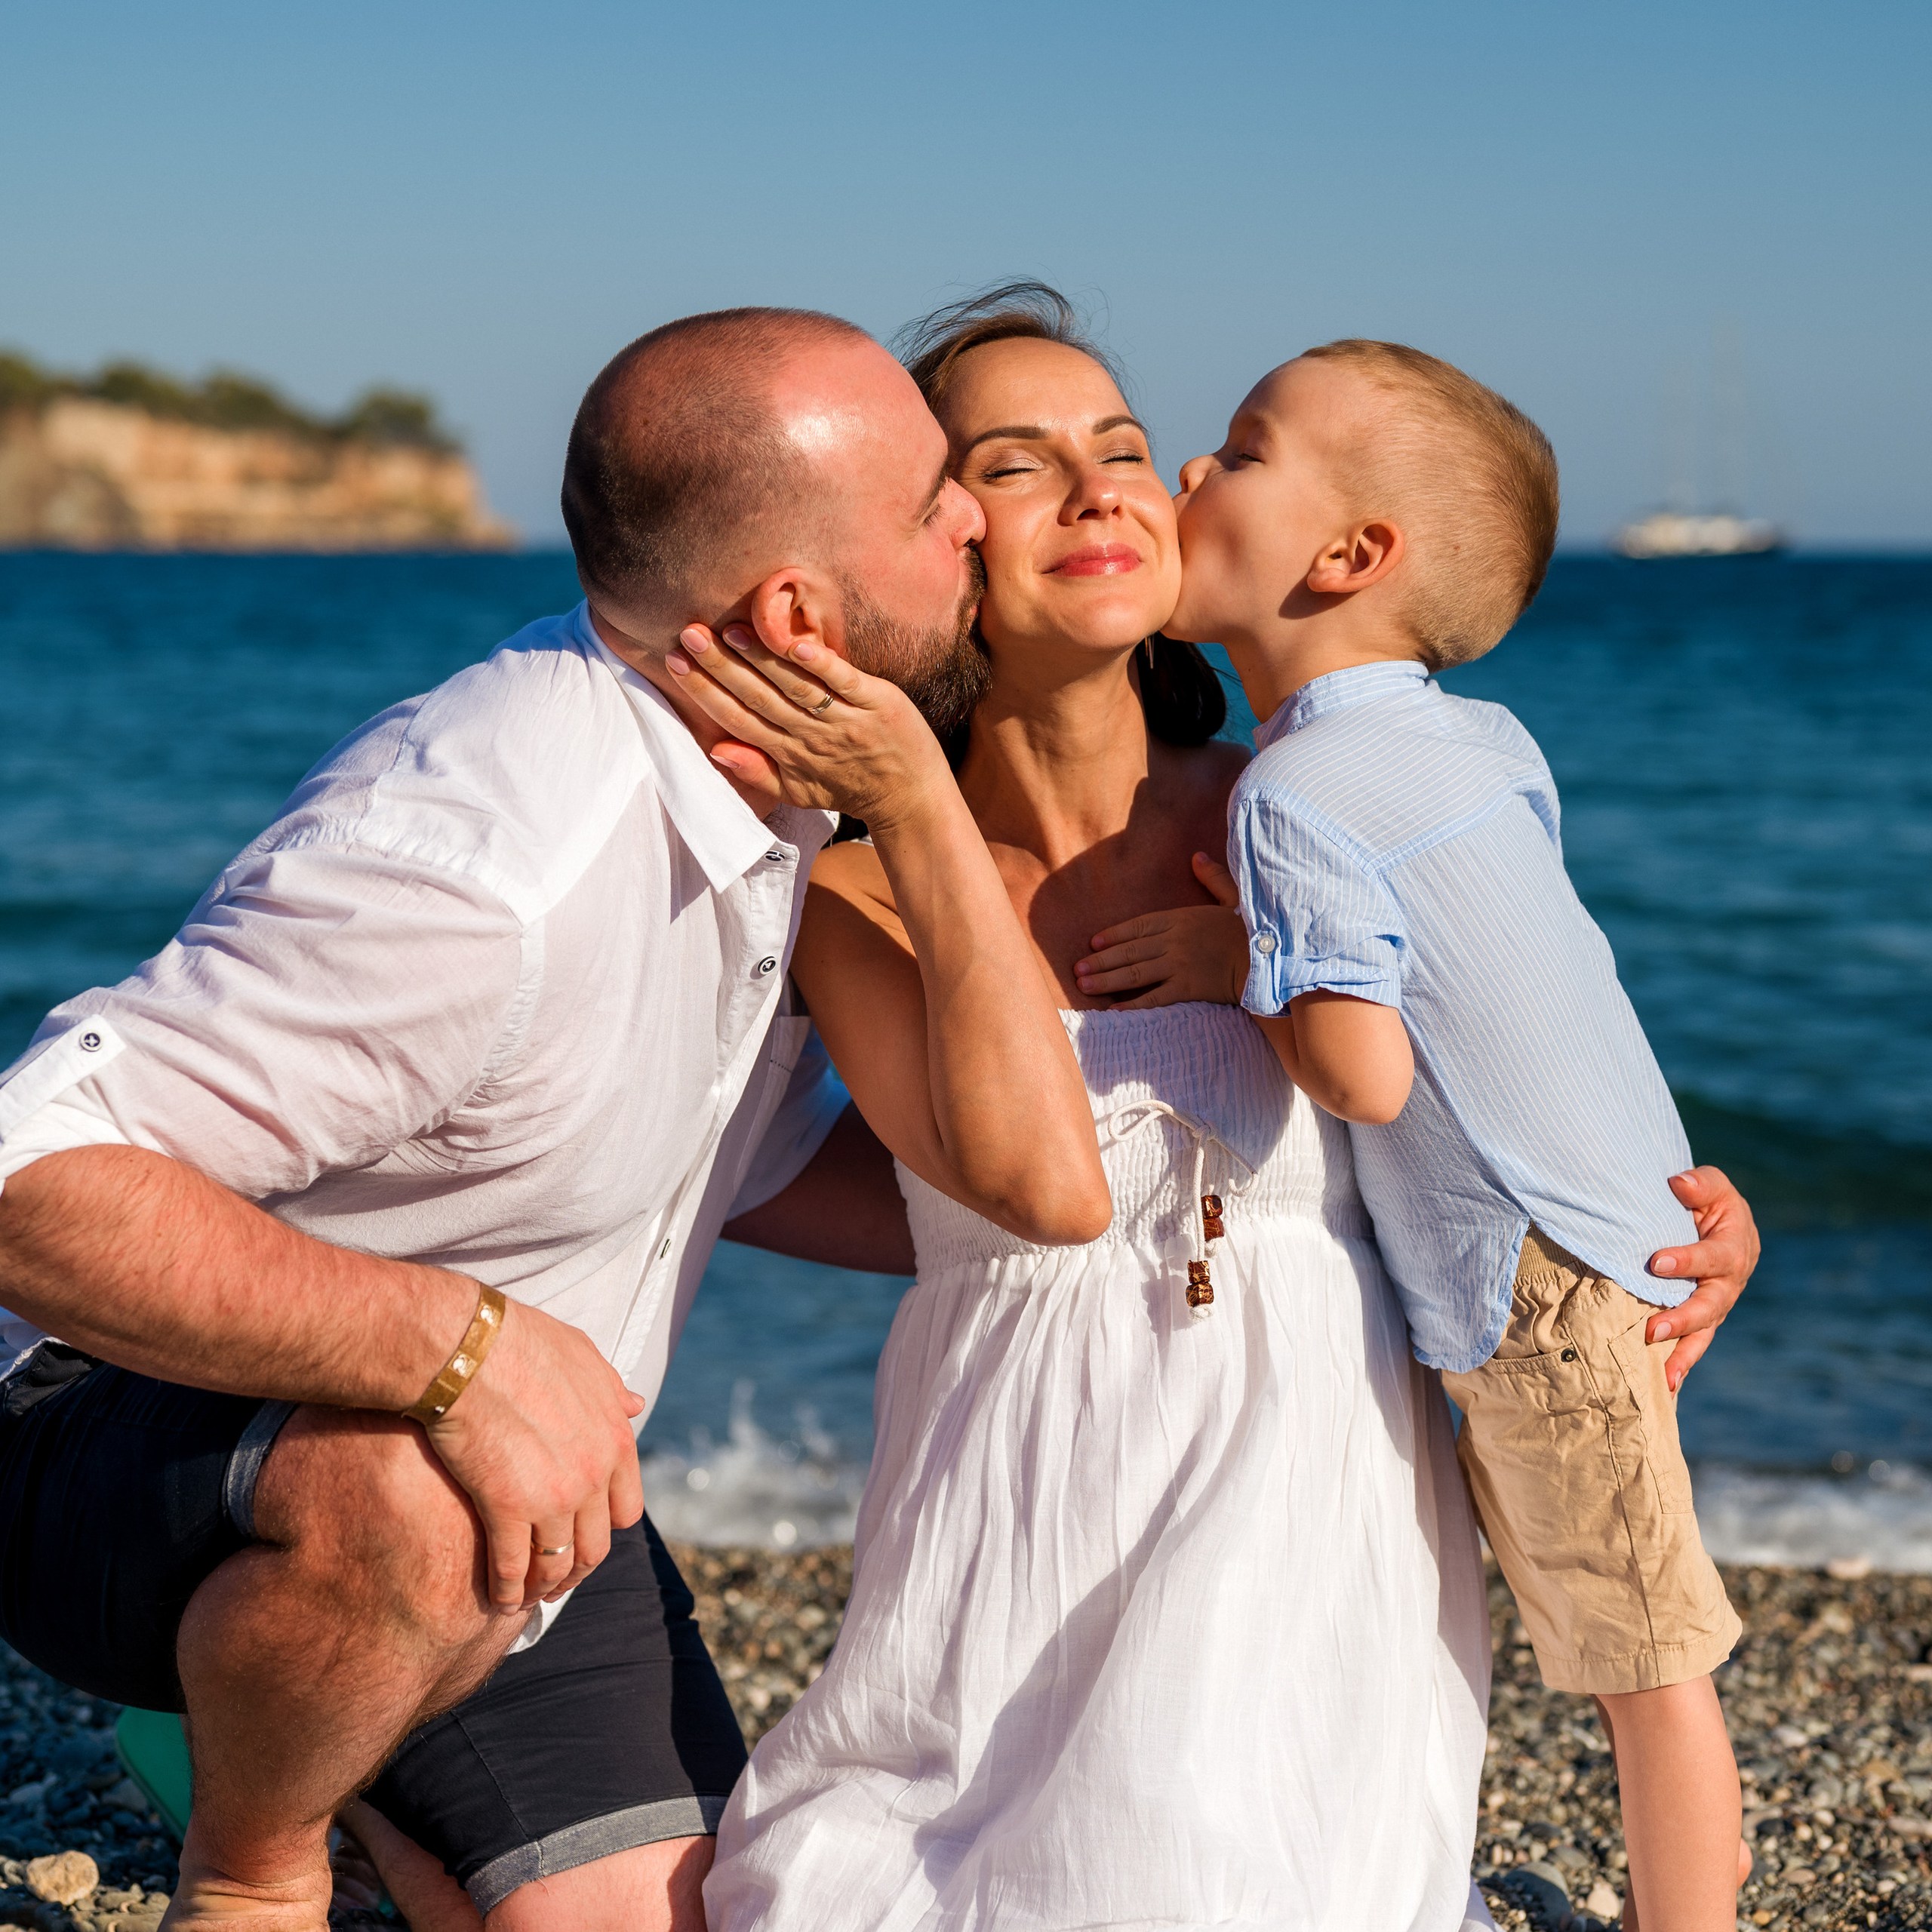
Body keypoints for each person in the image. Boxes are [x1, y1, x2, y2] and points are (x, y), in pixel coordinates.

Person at [0, 306, 1110, 1932]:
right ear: (794, 613)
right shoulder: (487, 862)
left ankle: (320, 1692)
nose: (977, 523)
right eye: (937, 495)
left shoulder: (767, 789)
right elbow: (25, 1184)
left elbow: (798, 1169)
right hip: (101, 1432)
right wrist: (456, 1347)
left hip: (519, 1501)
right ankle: (253, 1854)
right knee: (406, 1499)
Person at [678, 286, 1763, 1931]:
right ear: (932, 541)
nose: (1111, 482)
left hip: (1305, 1494)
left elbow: (1526, 1042)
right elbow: (1007, 1181)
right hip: (1012, 1515)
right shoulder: (851, 899)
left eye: (1121, 445)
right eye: (1020, 463)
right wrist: (908, 808)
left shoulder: (1299, 806)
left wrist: (1669, 1214)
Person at [1164, 339, 1757, 1932]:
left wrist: (1242, 961)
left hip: (1531, 1265)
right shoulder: (1482, 740)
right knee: (1627, 1619)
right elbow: (1553, 980)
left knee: (1640, 1652)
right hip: (1610, 1219)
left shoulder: (1289, 795)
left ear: (1349, 557)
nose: (1191, 470)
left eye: (1241, 445)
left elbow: (1357, 1071)